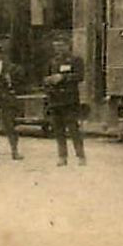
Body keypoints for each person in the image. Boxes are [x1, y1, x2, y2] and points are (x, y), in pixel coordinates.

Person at [42, 35, 86, 166]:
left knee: (73, 129)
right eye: (56, 46)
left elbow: (80, 76)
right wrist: (48, 81)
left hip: (69, 100)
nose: (59, 49)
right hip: (55, 100)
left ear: (68, 45)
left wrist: (63, 77)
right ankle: (62, 156)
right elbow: (46, 78)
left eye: (61, 46)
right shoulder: (53, 62)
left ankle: (80, 156)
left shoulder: (76, 60)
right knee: (58, 130)